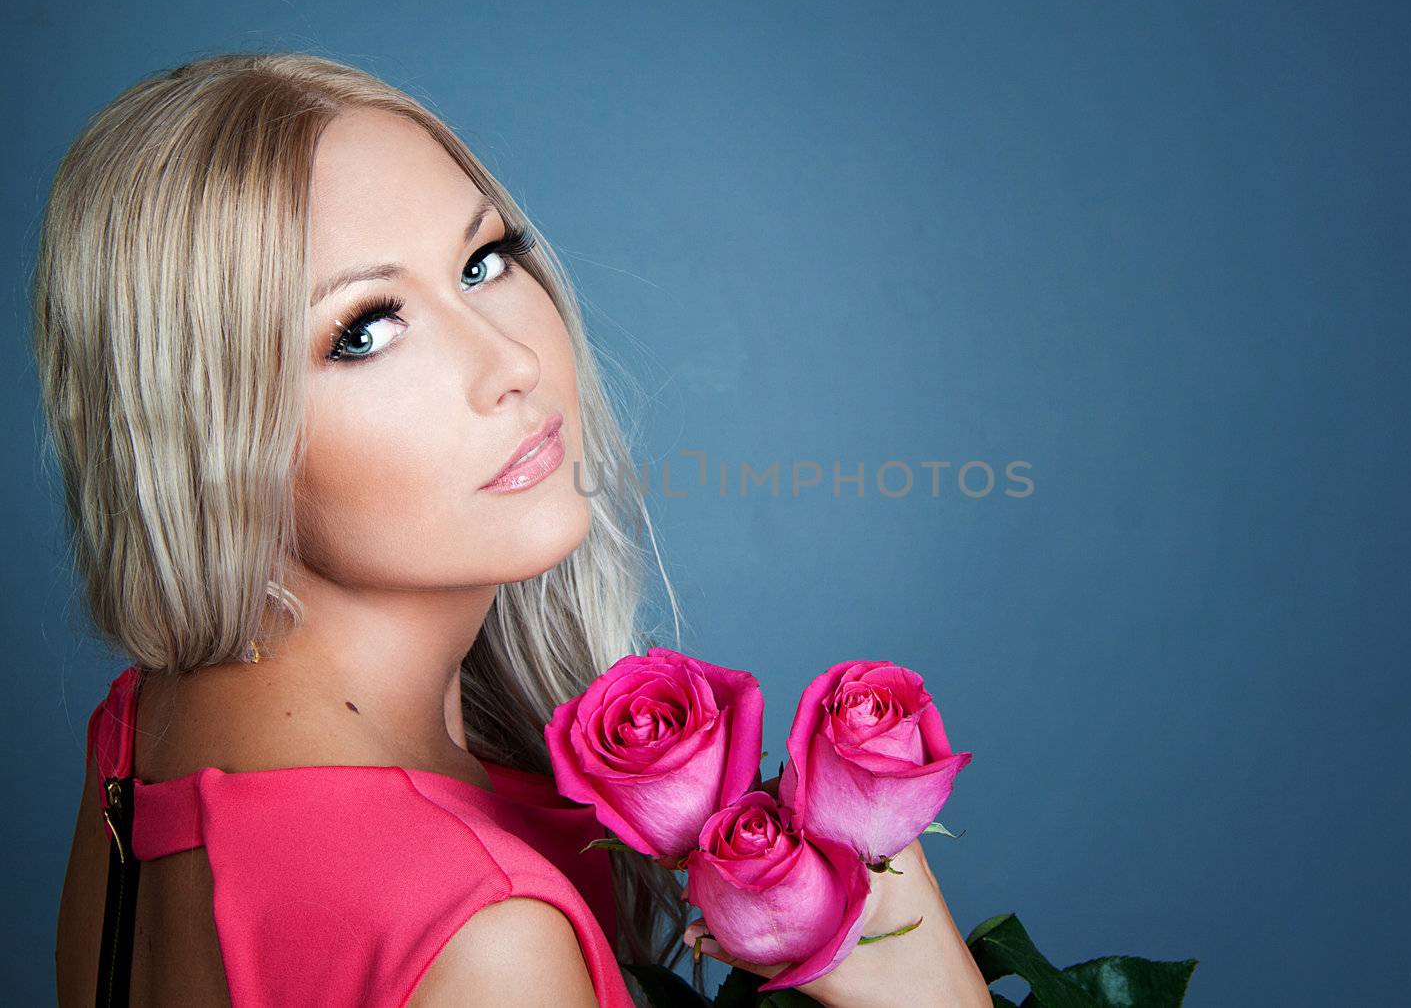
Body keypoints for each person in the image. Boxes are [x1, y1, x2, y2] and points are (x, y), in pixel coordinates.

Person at [39, 52, 990, 1006]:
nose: (511, 360)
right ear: (201, 436)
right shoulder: (485, 932)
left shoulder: (148, 728)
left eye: (481, 262)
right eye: (365, 329)